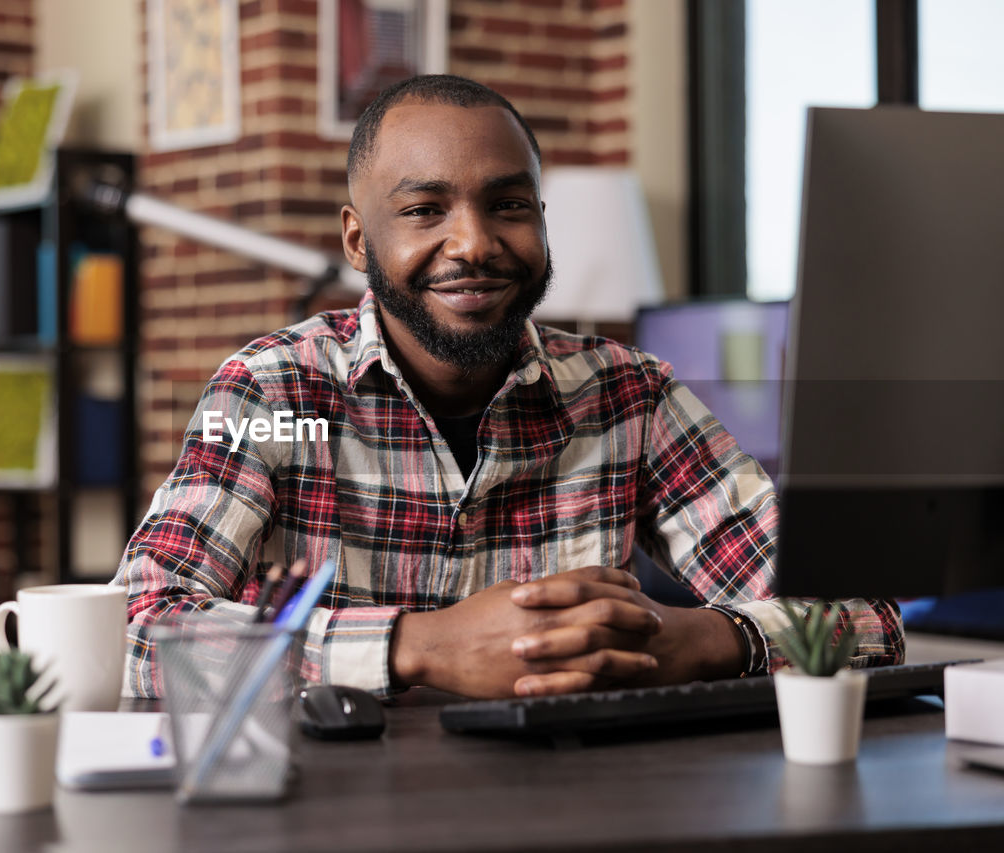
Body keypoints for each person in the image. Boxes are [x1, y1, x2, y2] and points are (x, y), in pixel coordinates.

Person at [114, 75, 904, 700]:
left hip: (586, 811)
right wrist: (419, 646)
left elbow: (866, 617)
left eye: (509, 205)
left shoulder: (630, 396)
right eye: (425, 209)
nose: (475, 243)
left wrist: (692, 638)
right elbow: (139, 629)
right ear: (358, 238)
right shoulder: (275, 397)